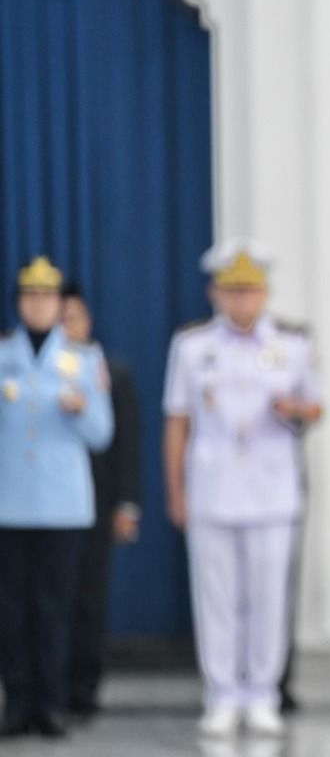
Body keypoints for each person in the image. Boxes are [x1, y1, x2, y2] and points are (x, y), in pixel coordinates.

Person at [162, 243, 323, 738]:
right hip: (212, 487)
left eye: (250, 291)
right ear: (215, 293)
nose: (242, 302)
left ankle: (262, 694)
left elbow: (316, 405)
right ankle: (222, 693)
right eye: (232, 291)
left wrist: (295, 411)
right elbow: (177, 420)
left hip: (272, 490)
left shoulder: (292, 345)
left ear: (264, 293)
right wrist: (176, 491)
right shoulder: (192, 347)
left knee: (268, 598)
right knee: (216, 598)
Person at [0, 257, 113, 739]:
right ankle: (17, 704)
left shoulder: (84, 357)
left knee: (54, 609)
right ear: (19, 304)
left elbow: (102, 434)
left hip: (63, 506)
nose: (38, 305)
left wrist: (82, 408)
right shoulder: (3, 353)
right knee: (10, 611)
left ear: (59, 304)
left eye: (46, 297)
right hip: (9, 504)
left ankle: (51, 703)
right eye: (29, 297)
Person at [59, 282, 142, 715]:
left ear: (87, 321)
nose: (66, 326)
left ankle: (84, 687)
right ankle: (45, 688)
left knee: (90, 598)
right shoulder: (28, 372)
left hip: (97, 500)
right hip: (46, 503)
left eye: (73, 318)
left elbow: (126, 442)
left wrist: (127, 503)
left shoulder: (108, 371)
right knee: (46, 598)